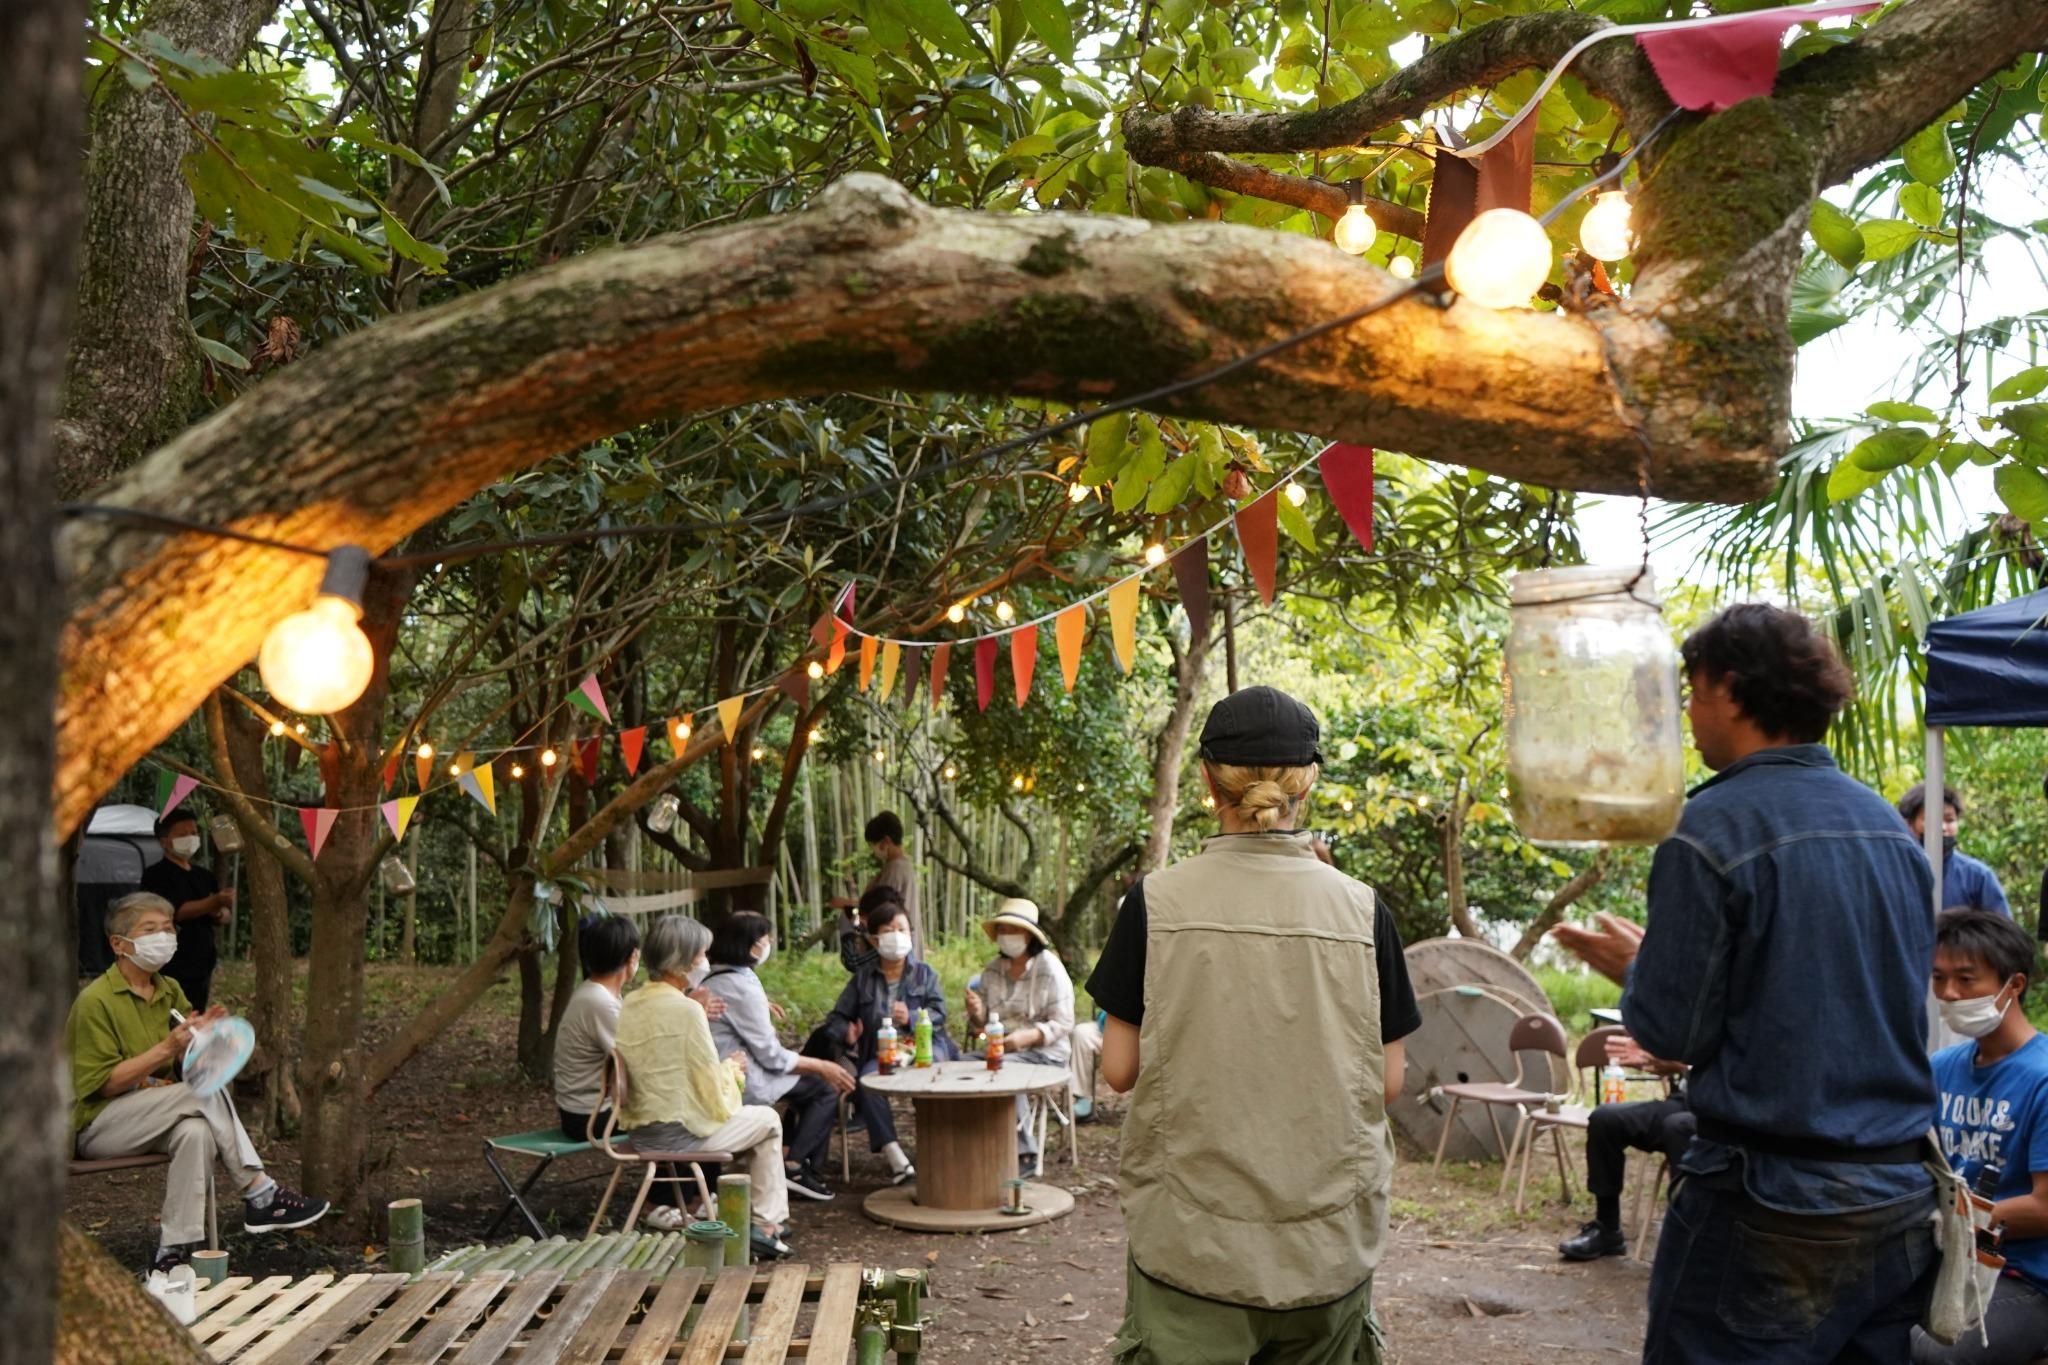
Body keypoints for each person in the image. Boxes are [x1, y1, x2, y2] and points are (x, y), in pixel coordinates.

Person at [1553, 603, 1939, 1363]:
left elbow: (1671, 1033)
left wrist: (1639, 975)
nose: (1687, 717)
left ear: (1729, 689)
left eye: (1691, 693)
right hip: (1897, 1191)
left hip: (1773, 1200)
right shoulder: (1887, 826)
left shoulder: (1711, 827)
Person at [1087, 685, 1422, 1363]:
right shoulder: (1363, 911)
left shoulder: (1155, 902)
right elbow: (1388, 1081)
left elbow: (1118, 1070)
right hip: (1325, 1243)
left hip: (1192, 1244)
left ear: (1209, 781)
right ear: (1309, 783)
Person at [68, 892, 328, 1271]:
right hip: (99, 1126)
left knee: (196, 1132)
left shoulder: (168, 989)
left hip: (153, 1114)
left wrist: (205, 1041)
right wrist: (166, 1047)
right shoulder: (95, 1002)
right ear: (119, 944)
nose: (165, 936)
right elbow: (104, 1085)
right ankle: (260, 1194)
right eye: (151, 929)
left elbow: (184, 1069)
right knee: (200, 1093)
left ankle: (173, 1254)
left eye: (169, 928)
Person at [1910, 908, 2048, 1364]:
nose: (1949, 994)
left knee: (1931, 1354)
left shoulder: (2042, 1078)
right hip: (1948, 1264)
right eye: (1939, 977)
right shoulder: (1940, 1070)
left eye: (1967, 980)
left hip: (2024, 1277)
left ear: (2015, 985)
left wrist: (1950, 1220)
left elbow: (2043, 1208)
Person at [614, 915, 791, 1258]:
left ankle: (756, 1219)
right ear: (683, 961)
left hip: (639, 1131)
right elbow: (709, 1085)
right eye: (701, 955)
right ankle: (766, 1223)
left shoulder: (631, 1002)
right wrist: (734, 1069)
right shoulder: (687, 1010)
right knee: (768, 1121)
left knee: (756, 1122)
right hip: (678, 1136)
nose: (705, 963)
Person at [701, 911, 856, 1200]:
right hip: (738, 1075)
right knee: (824, 1088)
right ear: (749, 946)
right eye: (765, 938)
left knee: (817, 1083)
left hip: (733, 1068)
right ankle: (793, 1166)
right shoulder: (739, 987)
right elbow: (771, 1056)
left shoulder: (719, 975)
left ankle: (797, 1161)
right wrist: (821, 1066)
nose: (769, 942)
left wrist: (762, 1006)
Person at [556, 914, 727, 1142]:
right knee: (683, 1120)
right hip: (590, 1115)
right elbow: (643, 1059)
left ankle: (674, 1173)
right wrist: (688, 1015)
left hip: (585, 1109)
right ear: (633, 956)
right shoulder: (599, 1001)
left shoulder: (596, 993)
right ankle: (680, 1174)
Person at [824, 887, 955, 1184]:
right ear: (873, 939)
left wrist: (913, 1016)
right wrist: (846, 1032)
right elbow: (835, 1018)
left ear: (911, 934)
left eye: (902, 929)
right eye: (889, 930)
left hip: (925, 1048)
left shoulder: (925, 974)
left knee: (936, 1077)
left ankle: (943, 1151)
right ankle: (897, 1159)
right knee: (869, 1082)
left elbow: (940, 1014)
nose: (897, 935)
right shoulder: (863, 979)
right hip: (884, 1053)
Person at [962, 898, 1074, 1180]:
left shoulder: (1051, 969)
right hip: (1000, 1050)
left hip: (1046, 1054)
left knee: (1006, 1071)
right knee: (958, 1067)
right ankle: (971, 1143)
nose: (1006, 936)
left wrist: (1026, 1038)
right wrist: (977, 1014)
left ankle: (1023, 1152)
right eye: (1002, 929)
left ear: (1029, 935)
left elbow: (1063, 1023)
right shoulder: (991, 970)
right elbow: (984, 1024)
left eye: (1013, 930)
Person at [1556, 1036, 1693, 1262]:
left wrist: (1682, 1065)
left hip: (1724, 1109)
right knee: (1605, 1119)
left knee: (1677, 1127)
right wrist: (1656, 1057)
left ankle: (1688, 1235)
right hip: (1685, 1100)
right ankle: (1607, 1229)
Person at [140, 810, 234, 1011]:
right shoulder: (155, 875)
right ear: (164, 841)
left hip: (203, 961)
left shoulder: (204, 875)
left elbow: (225, 916)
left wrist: (217, 911)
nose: (191, 838)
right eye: (183, 834)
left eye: (194, 833)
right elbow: (175, 911)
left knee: (196, 1013)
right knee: (171, 1015)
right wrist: (214, 902)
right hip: (171, 963)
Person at [1901, 782, 2011, 917]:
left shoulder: (1977, 877)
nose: (1942, 827)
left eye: (1949, 820)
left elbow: (2001, 931)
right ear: (1908, 824)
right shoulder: (1896, 873)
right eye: (1931, 819)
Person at [829, 812, 922, 971]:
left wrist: (847, 904)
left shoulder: (896, 869)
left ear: (886, 841)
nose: (874, 851)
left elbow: (880, 908)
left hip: (895, 947)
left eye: (874, 845)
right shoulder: (899, 865)